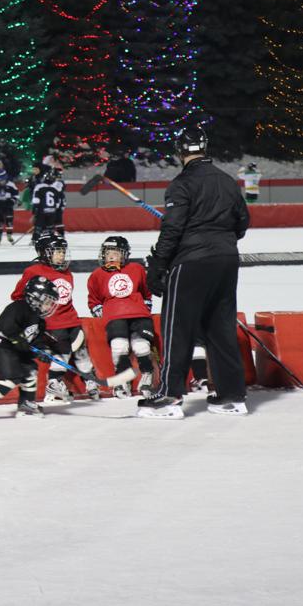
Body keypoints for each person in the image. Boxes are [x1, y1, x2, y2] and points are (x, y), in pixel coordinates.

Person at [143, 125, 251, 419]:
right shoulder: (228, 182)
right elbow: (243, 222)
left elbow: (172, 229)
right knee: (221, 327)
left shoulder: (181, 184)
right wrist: (220, 241)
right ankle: (231, 396)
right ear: (205, 148)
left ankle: (168, 396)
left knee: (177, 326)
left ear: (180, 151)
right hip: (227, 260)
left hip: (191, 261)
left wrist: (157, 267)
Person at [11, 232, 100, 404]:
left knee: (82, 352)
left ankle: (89, 378)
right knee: (64, 351)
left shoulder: (67, 272)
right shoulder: (33, 271)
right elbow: (17, 296)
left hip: (72, 320)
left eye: (62, 251)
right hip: (50, 323)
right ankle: (53, 383)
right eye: (57, 252)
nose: (61, 255)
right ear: (45, 253)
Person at [0, 276, 60, 420]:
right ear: (35, 297)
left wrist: (43, 350)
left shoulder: (39, 320)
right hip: (2, 347)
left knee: (31, 371)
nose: (50, 306)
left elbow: (36, 339)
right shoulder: (18, 308)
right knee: (12, 378)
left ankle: (26, 403)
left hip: (18, 350)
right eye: (47, 301)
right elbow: (6, 328)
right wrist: (18, 340)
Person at [87, 236, 156, 400]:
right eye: (108, 253)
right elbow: (94, 300)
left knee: (142, 346)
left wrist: (144, 307)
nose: (111, 256)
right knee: (119, 346)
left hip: (139, 314)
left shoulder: (137, 269)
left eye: (115, 253)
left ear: (125, 255)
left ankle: (147, 376)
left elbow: (147, 293)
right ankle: (122, 380)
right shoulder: (97, 275)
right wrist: (102, 314)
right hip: (115, 316)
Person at [32, 167, 65, 240]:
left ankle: (35, 239)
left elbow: (36, 200)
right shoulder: (54, 188)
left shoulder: (39, 187)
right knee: (50, 227)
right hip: (52, 210)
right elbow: (58, 201)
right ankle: (51, 239)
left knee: (38, 226)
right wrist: (56, 208)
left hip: (42, 210)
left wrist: (35, 210)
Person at [0, 173, 17, 244]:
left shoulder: (11, 184)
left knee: (9, 221)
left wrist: (12, 201)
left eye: (2, 180)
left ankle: (9, 236)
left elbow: (16, 194)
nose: (1, 181)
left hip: (8, 205)